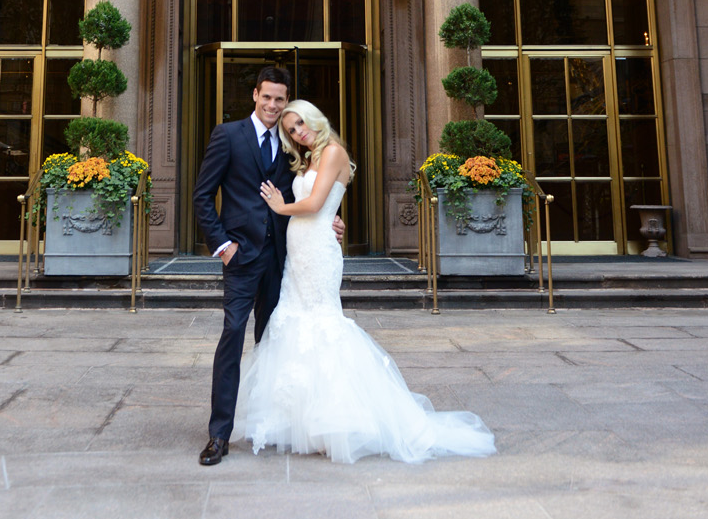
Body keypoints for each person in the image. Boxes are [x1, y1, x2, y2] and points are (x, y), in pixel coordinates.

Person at [235, 100, 496, 465]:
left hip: (318, 250)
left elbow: (313, 204)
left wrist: (280, 207)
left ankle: (336, 421)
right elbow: (322, 207)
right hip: (299, 250)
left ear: (317, 118)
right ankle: (296, 419)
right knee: (294, 319)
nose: (298, 132)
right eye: (291, 130)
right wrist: (325, 217)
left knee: (323, 323)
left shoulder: (334, 152)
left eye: (301, 124)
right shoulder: (309, 158)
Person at [192, 65, 343, 467]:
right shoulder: (228, 136)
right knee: (232, 337)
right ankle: (219, 434)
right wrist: (223, 246)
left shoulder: (297, 146)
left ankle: (269, 423)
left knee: (276, 342)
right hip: (240, 258)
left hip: (284, 260)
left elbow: (317, 193)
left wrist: (331, 218)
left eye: (281, 99)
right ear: (255, 95)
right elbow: (203, 196)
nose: (273, 105)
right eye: (267, 97)